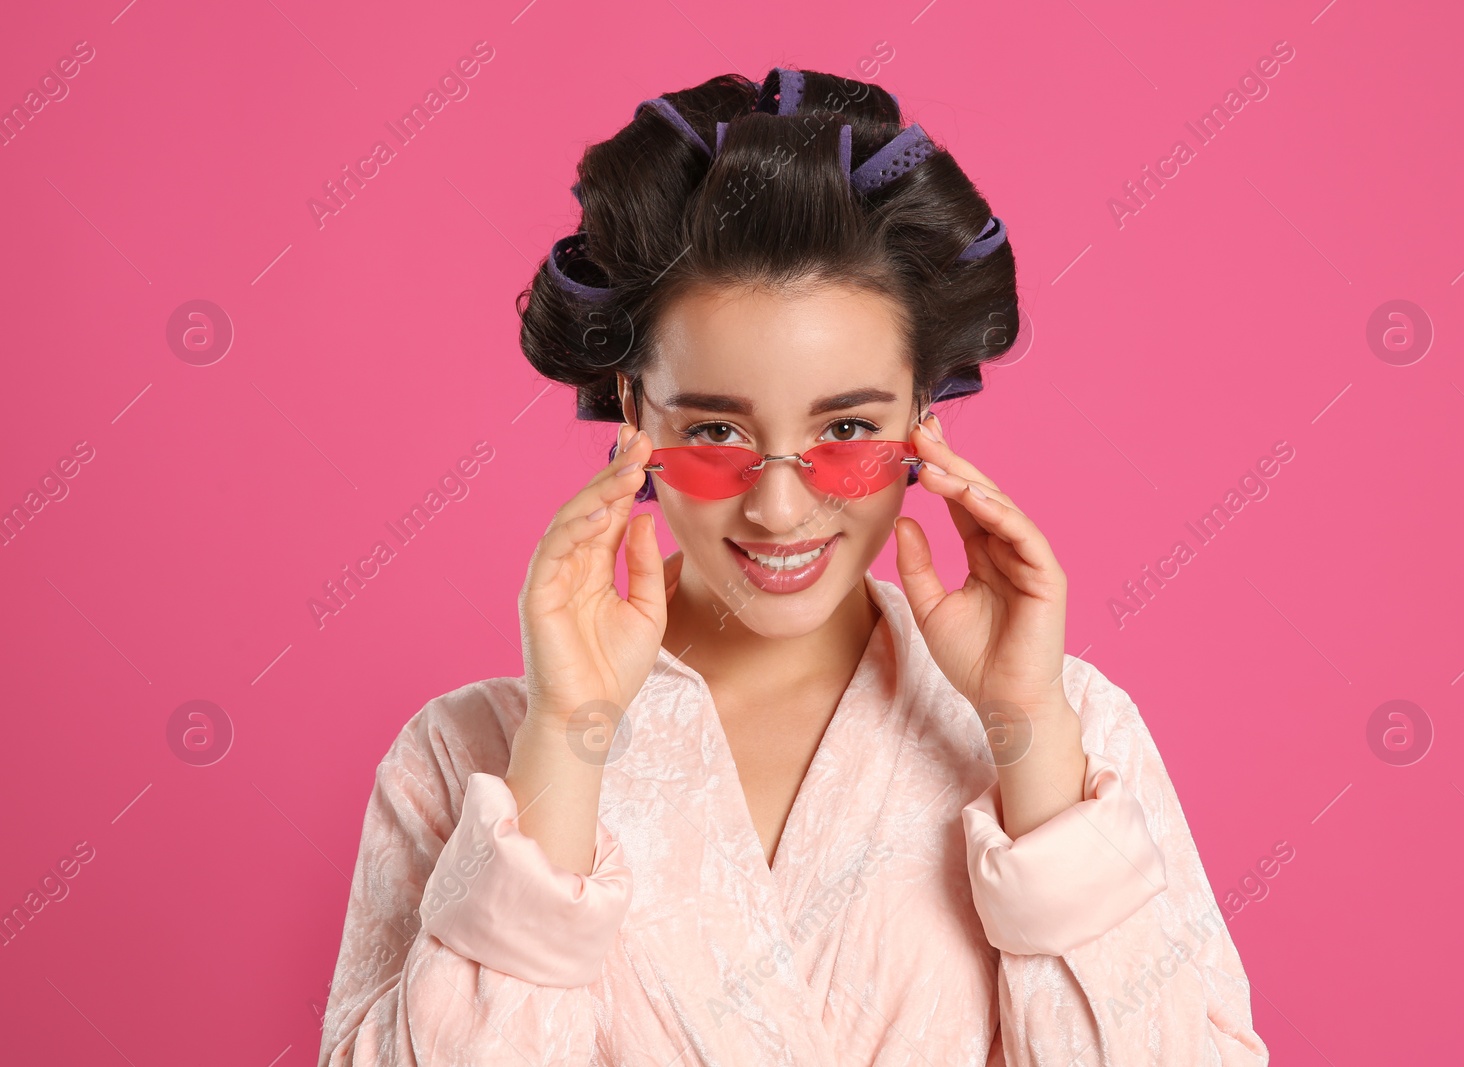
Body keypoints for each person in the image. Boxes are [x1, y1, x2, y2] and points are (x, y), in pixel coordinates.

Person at [317, 67, 1269, 1066]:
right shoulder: (465, 754)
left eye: (848, 427)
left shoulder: (1075, 732)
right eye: (715, 427)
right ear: (635, 416)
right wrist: (565, 735)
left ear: (923, 427)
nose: (778, 505)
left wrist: (1023, 730)